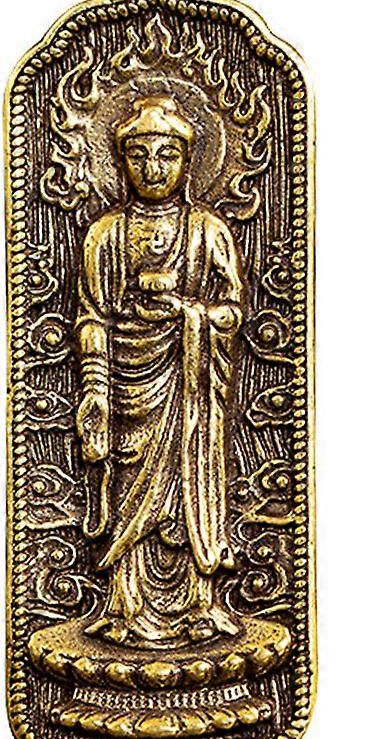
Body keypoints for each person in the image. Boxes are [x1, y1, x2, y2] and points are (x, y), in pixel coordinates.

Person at [76, 95, 244, 647]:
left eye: (166, 155)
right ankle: (126, 606)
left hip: (189, 385)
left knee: (189, 485)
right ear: (121, 161)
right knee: (129, 486)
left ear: (187, 162)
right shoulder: (105, 234)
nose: (152, 168)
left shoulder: (207, 231)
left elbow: (231, 311)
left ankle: (199, 605)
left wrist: (190, 315)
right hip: (129, 383)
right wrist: (96, 390)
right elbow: (92, 317)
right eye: (139, 156)